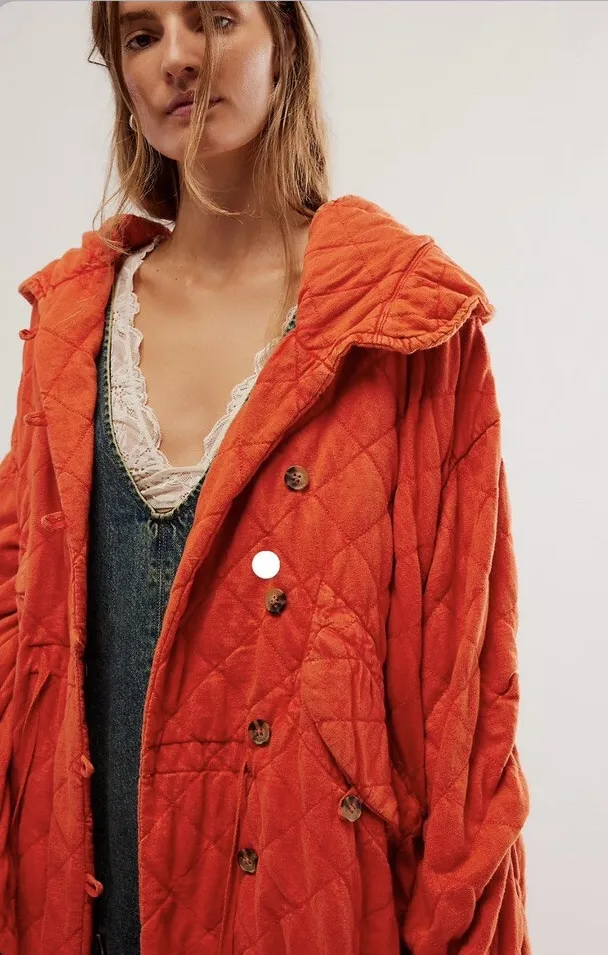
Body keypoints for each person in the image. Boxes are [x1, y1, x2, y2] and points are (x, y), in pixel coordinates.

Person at [0, 2, 530, 954]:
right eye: (141, 35)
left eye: (213, 18)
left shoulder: (406, 328)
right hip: (73, 898)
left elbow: (464, 691)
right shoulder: (70, 327)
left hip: (306, 894)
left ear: (283, 40)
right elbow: (14, 628)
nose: (177, 58)